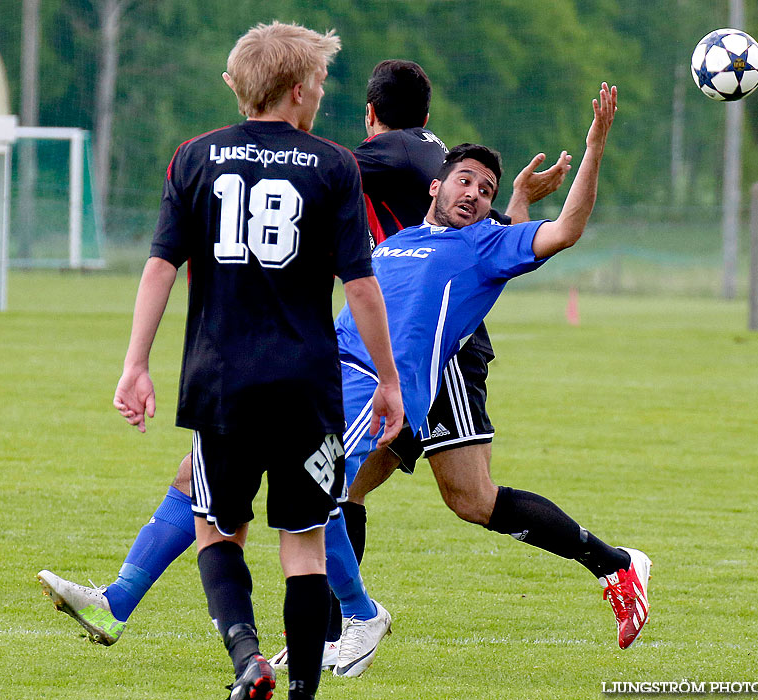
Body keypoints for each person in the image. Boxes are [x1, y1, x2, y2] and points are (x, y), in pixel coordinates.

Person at [36, 58, 566, 667]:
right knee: (222, 484)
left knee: (327, 506)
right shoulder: (411, 162)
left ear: (372, 117)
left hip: (368, 359)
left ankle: (351, 621)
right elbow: (480, 241)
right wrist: (514, 206)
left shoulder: (357, 159)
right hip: (319, 357)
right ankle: (123, 603)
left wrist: (391, 379)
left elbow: (415, 264)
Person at [45, 22, 404, 700]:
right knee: (302, 545)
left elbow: (159, 267)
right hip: (307, 388)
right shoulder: (334, 166)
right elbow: (360, 285)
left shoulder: (194, 157)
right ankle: (301, 689)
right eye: (321, 85)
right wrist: (387, 380)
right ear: (298, 90)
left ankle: (246, 659)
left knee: (217, 527)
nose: (322, 96)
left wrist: (135, 364)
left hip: (221, 385)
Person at [334, 83, 653, 652]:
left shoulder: (479, 242)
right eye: (465, 181)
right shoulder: (400, 240)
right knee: (351, 489)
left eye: (487, 190)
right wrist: (520, 204)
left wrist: (596, 148)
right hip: (381, 376)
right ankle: (338, 625)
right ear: (437, 186)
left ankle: (616, 566)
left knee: (466, 499)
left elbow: (559, 234)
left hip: (440, 367)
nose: (475, 193)